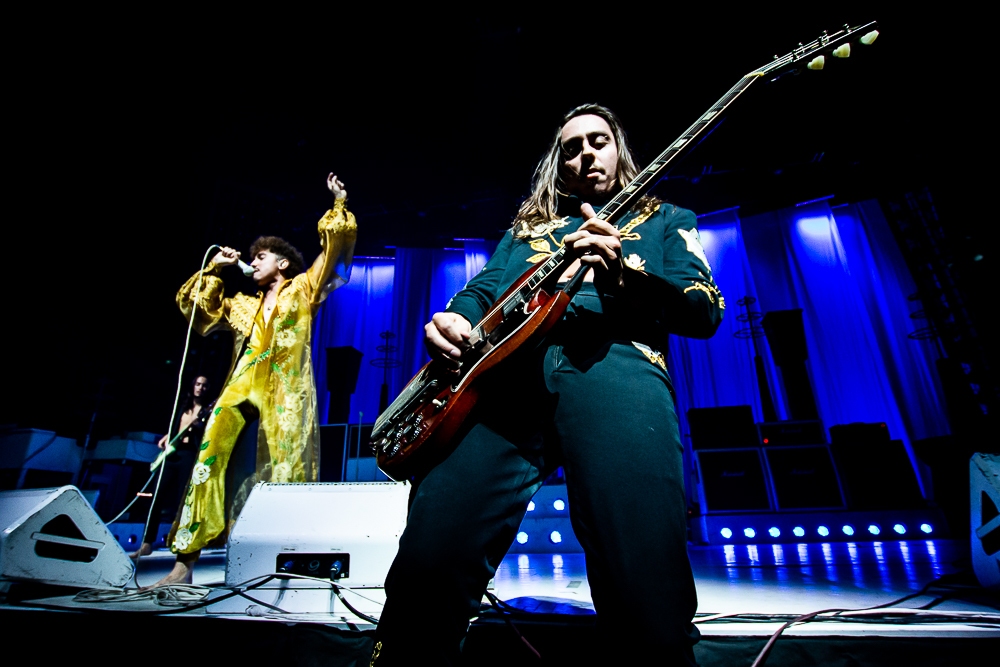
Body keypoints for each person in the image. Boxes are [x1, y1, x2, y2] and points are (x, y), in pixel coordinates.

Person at [371, 105, 724, 665]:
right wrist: (454, 316)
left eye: (598, 141)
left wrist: (622, 273)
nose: (586, 153)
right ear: (559, 164)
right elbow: (485, 287)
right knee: (430, 556)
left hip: (617, 366)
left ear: (619, 149)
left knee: (642, 566)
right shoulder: (527, 229)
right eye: (572, 147)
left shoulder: (666, 218)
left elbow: (703, 310)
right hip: (503, 382)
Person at [154, 173, 357, 586]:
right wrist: (217, 268)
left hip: (283, 389)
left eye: (261, 256)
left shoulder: (302, 288)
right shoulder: (241, 304)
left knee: (285, 466)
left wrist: (338, 204)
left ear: (281, 263)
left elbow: (334, 250)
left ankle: (283, 556)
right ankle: (184, 562)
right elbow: (197, 309)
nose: (255, 262)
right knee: (207, 461)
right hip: (240, 384)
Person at [128, 375, 215, 559]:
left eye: (204, 386)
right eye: (198, 384)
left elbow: (208, 436)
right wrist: (167, 437)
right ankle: (146, 543)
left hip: (189, 454)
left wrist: (198, 426)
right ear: (193, 386)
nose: (200, 388)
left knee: (181, 501)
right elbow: (176, 427)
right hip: (173, 453)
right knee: (156, 497)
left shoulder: (207, 411)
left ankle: (181, 541)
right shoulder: (183, 407)